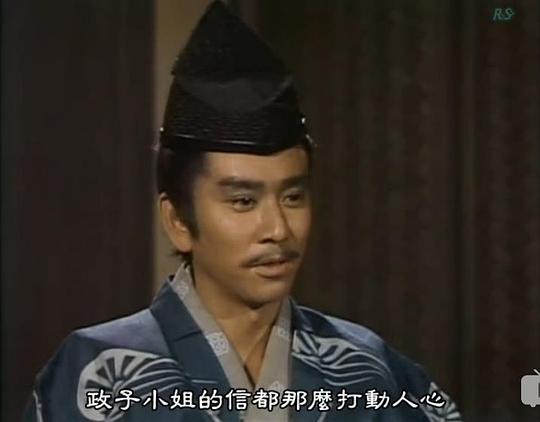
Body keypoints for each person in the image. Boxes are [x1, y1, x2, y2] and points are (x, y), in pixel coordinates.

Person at [24, 2, 462, 421]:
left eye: (293, 197)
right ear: (178, 221)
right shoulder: (98, 374)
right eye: (243, 201)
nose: (278, 229)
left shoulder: (369, 371)